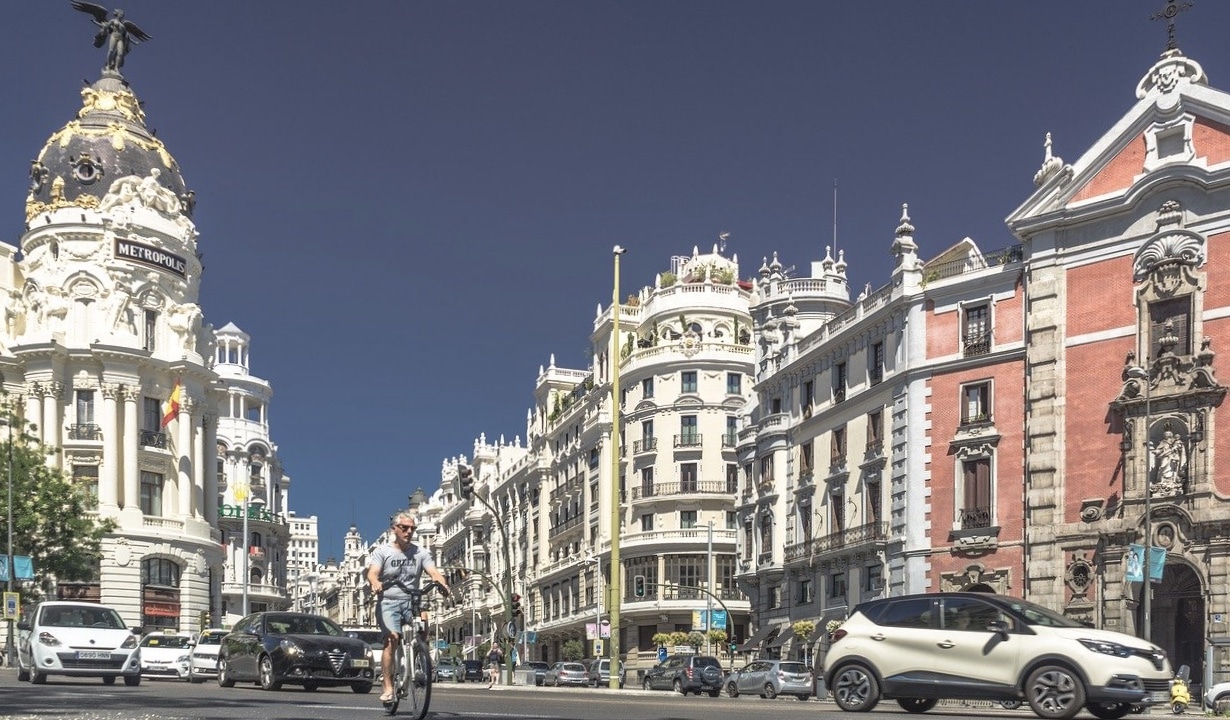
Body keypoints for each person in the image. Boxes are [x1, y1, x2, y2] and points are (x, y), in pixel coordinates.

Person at [367, 512, 451, 705]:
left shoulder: (421, 552)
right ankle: (388, 686)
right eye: (404, 528)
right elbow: (372, 573)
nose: (409, 531)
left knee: (424, 624)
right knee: (392, 639)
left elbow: (434, 572)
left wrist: (443, 584)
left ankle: (416, 657)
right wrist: (375, 583)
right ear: (394, 529)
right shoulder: (383, 551)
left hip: (412, 601)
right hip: (388, 602)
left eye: (412, 528)